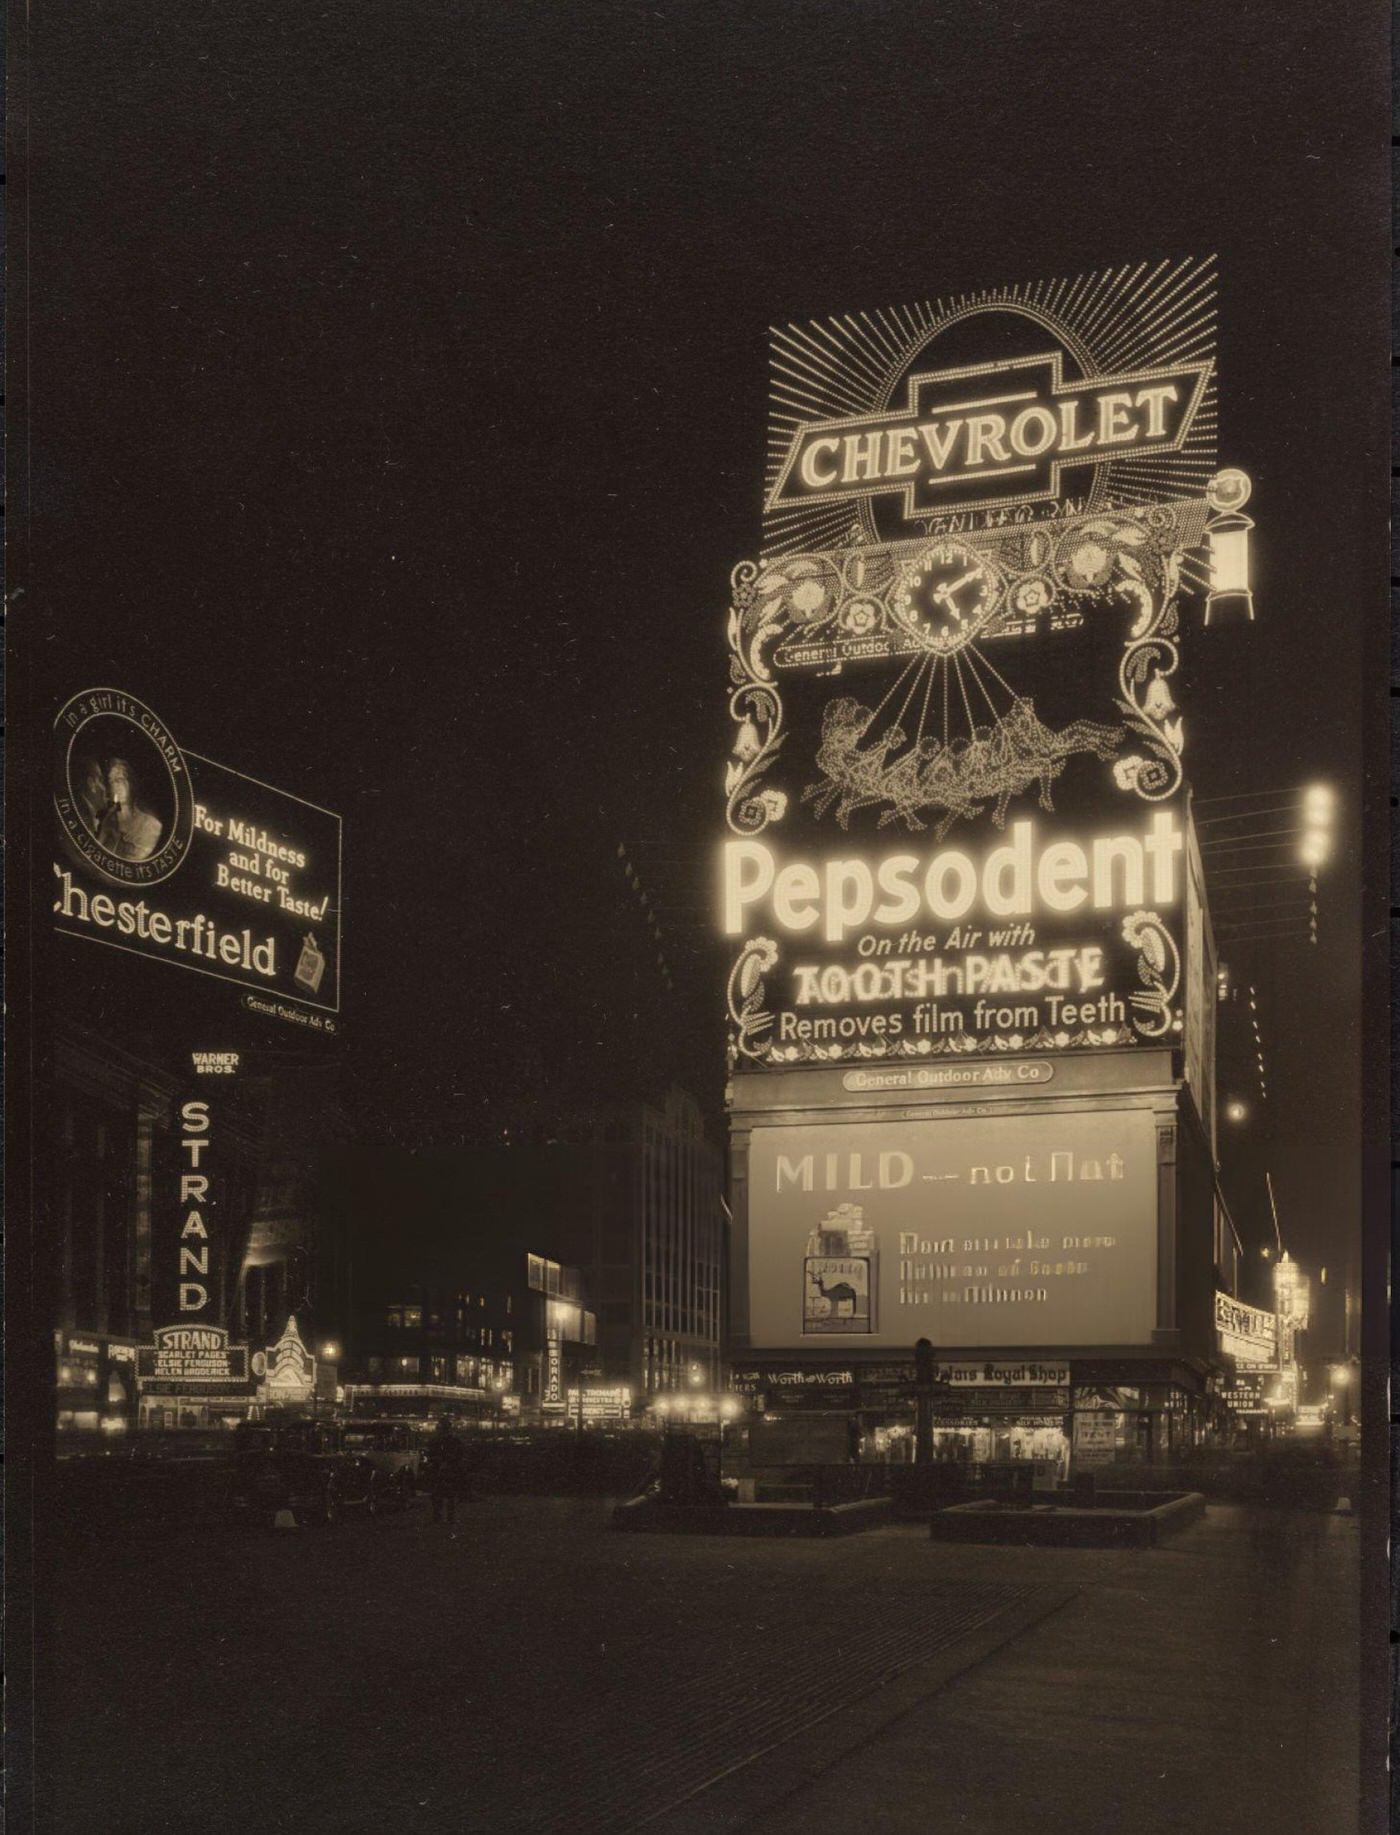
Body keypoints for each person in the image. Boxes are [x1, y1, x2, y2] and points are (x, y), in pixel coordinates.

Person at [97, 757, 163, 862]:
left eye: (119, 780)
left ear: (130, 783)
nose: (115, 787)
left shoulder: (151, 825)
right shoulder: (107, 822)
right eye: (111, 781)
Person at [423, 1416, 464, 1525]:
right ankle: (447, 1518)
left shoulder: (436, 1440)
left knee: (440, 1495)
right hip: (445, 1469)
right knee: (446, 1495)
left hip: (442, 1469)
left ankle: (440, 1517)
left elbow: (430, 1454)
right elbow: (459, 1455)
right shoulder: (452, 1440)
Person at [73, 755, 110, 841]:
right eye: (101, 780)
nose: (105, 789)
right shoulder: (82, 819)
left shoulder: (87, 814)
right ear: (91, 783)